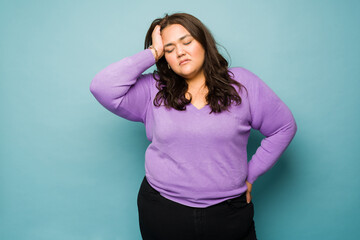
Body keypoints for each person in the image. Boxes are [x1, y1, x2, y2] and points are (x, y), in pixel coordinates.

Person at [90, 12, 297, 240]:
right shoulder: (153, 89)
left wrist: (251, 175)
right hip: (162, 211)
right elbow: (102, 87)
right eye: (169, 49)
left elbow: (283, 127)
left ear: (203, 42)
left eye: (187, 42)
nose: (180, 52)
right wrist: (153, 52)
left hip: (228, 214)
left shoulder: (242, 84)